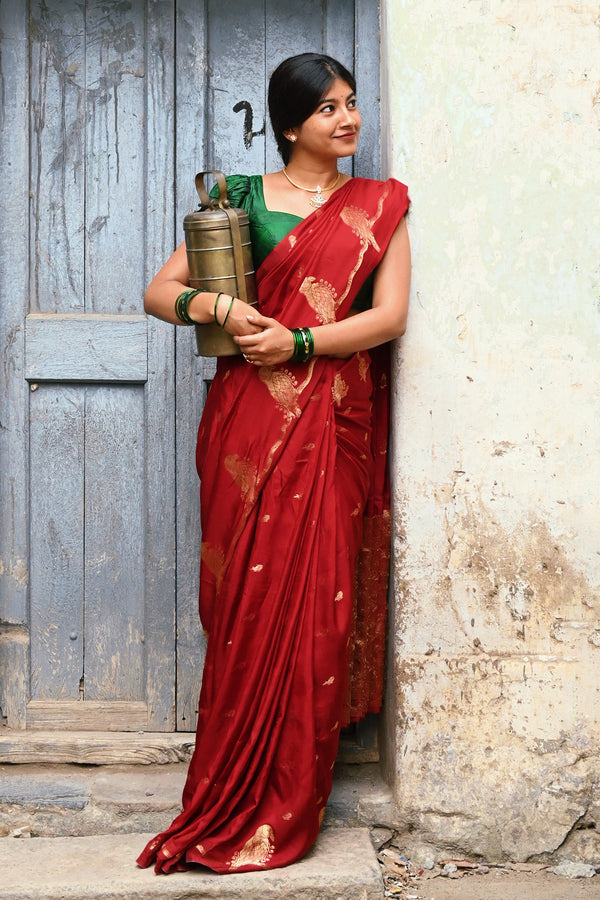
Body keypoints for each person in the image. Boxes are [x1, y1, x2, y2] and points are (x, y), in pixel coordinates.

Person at [137, 52, 410, 875]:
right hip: (251, 427)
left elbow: (389, 317)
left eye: (352, 103)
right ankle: (226, 792)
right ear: (290, 125)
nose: (348, 119)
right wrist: (218, 304)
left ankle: (289, 799)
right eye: (329, 109)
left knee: (316, 612)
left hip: (331, 420)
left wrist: (297, 340)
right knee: (249, 606)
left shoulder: (379, 207)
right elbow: (160, 292)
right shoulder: (241, 201)